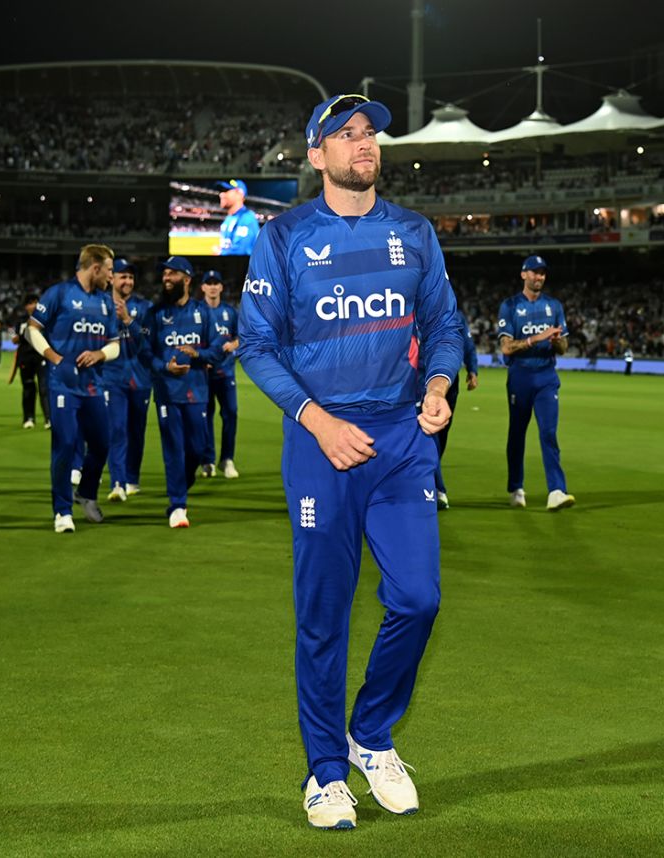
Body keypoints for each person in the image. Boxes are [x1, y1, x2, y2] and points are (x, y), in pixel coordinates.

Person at [239, 93, 463, 830]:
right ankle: (325, 773)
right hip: (320, 442)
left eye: (370, 134)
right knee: (323, 617)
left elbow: (443, 323)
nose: (364, 143)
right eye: (346, 134)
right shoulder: (283, 237)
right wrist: (316, 419)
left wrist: (436, 383)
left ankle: (371, 734)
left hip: (401, 440)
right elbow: (258, 346)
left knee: (419, 599)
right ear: (316, 155)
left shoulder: (415, 233)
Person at [26, 244, 120, 534]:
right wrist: (55, 358)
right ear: (95, 267)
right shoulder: (59, 294)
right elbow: (32, 329)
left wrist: (100, 354)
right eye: (109, 271)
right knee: (65, 445)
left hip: (93, 385)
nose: (111, 277)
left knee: (103, 444)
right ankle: (62, 511)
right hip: (63, 385)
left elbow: (115, 344)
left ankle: (86, 493)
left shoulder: (105, 302)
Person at [139, 256, 226, 528]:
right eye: (164, 274)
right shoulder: (153, 315)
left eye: (172, 274)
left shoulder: (204, 313)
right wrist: (165, 367)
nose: (166, 279)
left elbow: (218, 350)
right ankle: (178, 505)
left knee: (198, 449)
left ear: (187, 279)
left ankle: (182, 484)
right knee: (173, 448)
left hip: (197, 391)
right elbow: (144, 353)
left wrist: (197, 354)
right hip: (167, 392)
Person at [497, 255, 575, 511]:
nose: (538, 277)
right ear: (523, 275)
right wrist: (535, 339)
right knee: (517, 434)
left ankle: (556, 490)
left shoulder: (554, 306)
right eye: (533, 272)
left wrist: (556, 341)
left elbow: (564, 346)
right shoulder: (509, 306)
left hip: (546, 378)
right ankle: (516, 488)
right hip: (520, 377)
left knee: (549, 433)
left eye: (542, 273)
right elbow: (506, 348)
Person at [103, 258, 154, 500]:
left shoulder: (145, 308)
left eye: (131, 277)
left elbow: (148, 340)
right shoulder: (100, 305)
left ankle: (132, 478)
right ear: (112, 278)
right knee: (117, 429)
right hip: (112, 378)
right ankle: (118, 483)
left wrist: (128, 321)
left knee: (137, 431)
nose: (128, 281)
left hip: (141, 379)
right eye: (123, 276)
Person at [426, 303, 478, 510]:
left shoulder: (455, 316)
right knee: (430, 436)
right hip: (420, 381)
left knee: (442, 433)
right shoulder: (411, 308)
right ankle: (437, 489)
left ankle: (430, 479)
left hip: (449, 383)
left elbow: (466, 344)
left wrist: (472, 370)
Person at [198, 270, 241, 479]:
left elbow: (241, 337)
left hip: (226, 372)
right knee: (206, 417)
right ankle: (207, 461)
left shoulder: (230, 313)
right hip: (204, 374)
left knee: (231, 414)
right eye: (209, 283)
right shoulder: (197, 311)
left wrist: (233, 344)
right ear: (203, 287)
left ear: (222, 287)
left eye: (217, 283)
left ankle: (227, 459)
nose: (213, 286)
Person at [8, 295, 50, 429]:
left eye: (36, 303)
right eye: (31, 303)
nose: (34, 306)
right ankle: (28, 418)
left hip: (41, 357)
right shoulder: (21, 321)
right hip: (25, 357)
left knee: (44, 388)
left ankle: (49, 419)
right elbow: (10, 329)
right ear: (26, 306)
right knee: (28, 388)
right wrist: (13, 337)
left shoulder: (46, 320)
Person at [217, 179, 260, 255]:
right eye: (221, 191)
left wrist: (220, 253)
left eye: (226, 190)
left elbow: (241, 253)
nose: (221, 194)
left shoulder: (247, 218)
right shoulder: (228, 218)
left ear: (240, 194)